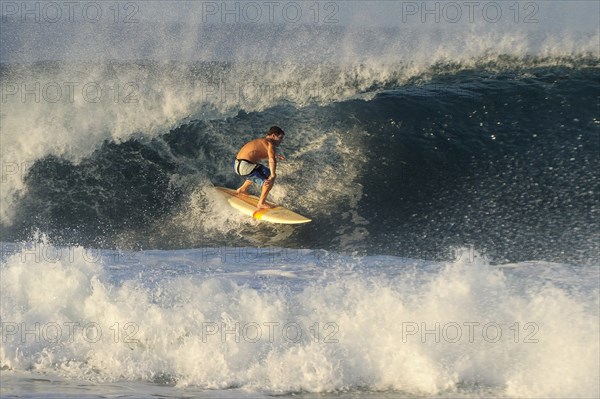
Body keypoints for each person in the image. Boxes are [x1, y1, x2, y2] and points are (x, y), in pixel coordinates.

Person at [233, 126, 285, 209]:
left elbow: (256, 154)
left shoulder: (261, 141)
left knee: (259, 171)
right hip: (245, 167)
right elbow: (271, 159)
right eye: (280, 138)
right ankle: (261, 203)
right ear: (274, 136)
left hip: (237, 165)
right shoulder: (270, 144)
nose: (281, 140)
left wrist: (275, 156)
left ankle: (242, 189)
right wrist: (273, 174)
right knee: (268, 177)